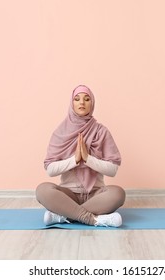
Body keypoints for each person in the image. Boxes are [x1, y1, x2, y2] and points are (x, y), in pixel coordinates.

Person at [36, 85, 125, 227]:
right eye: (77, 99)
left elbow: (112, 170)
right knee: (42, 190)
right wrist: (75, 160)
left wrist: (88, 159)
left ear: (92, 103)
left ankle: (65, 216)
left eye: (87, 99)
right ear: (72, 104)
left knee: (118, 194)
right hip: (67, 195)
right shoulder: (61, 132)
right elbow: (50, 170)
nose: (82, 103)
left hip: (96, 195)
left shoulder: (101, 131)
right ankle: (94, 219)